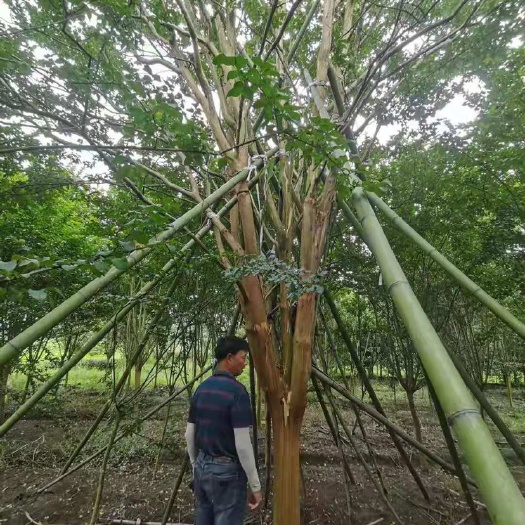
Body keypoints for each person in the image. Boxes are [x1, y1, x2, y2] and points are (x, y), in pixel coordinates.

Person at [185, 336, 262, 525]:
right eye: (243, 358)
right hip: (227, 473)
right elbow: (243, 444)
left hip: (202, 468)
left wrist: (196, 465)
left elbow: (189, 434)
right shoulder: (237, 393)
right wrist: (255, 485)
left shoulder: (201, 389)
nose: (245, 364)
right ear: (229, 357)